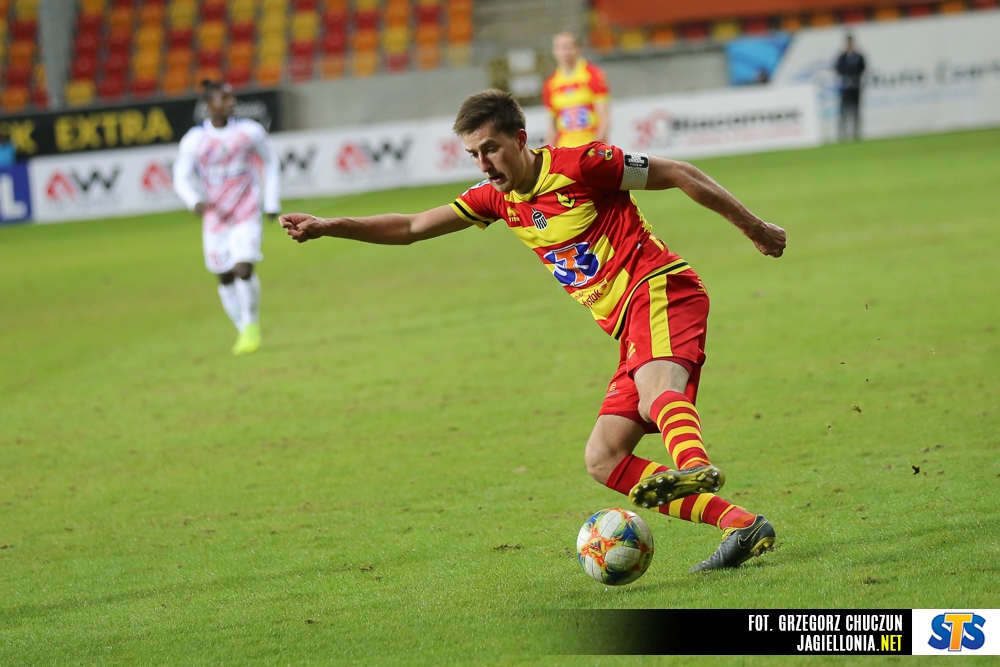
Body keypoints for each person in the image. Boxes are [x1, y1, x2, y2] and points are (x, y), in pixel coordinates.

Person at [280, 90, 786, 572]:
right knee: (604, 458)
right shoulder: (496, 200)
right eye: (474, 154)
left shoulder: (584, 165)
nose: (483, 164)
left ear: (520, 139)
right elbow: (412, 227)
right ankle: (741, 526)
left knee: (657, 395)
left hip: (659, 289)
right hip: (626, 325)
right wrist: (331, 225)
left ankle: (694, 465)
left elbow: (678, 172)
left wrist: (755, 227)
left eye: (491, 149)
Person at [173, 80, 280, 355]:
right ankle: (243, 328)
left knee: (243, 268)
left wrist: (271, 201)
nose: (231, 103)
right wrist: (193, 200)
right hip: (215, 218)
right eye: (224, 99)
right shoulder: (195, 140)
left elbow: (271, 161)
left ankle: (252, 325)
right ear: (209, 104)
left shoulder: (249, 132)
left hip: (246, 211)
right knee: (224, 277)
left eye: (232, 98)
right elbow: (180, 177)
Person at [542, 31, 610, 148]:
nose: (564, 53)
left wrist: (595, 147)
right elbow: (552, 127)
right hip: (565, 148)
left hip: (590, 146)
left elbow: (604, 119)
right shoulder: (550, 83)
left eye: (568, 47)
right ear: (554, 52)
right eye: (559, 48)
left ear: (578, 49)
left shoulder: (593, 75)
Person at [835, 35, 866, 141]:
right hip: (845, 88)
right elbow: (838, 68)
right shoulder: (842, 57)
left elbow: (862, 68)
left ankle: (856, 133)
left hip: (855, 87)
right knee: (844, 111)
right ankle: (842, 134)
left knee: (856, 111)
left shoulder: (858, 56)